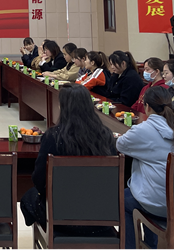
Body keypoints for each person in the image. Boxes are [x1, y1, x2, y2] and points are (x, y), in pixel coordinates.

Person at [117, 86, 174, 250]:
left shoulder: (144, 129)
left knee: (123, 199)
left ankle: (135, 246)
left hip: (160, 204)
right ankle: (151, 244)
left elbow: (121, 145)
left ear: (147, 107)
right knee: (148, 189)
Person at [20, 84, 117, 230]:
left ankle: (51, 234)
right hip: (100, 215)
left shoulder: (53, 136)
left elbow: (39, 178)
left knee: (29, 197)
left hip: (61, 215)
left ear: (63, 107)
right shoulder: (106, 135)